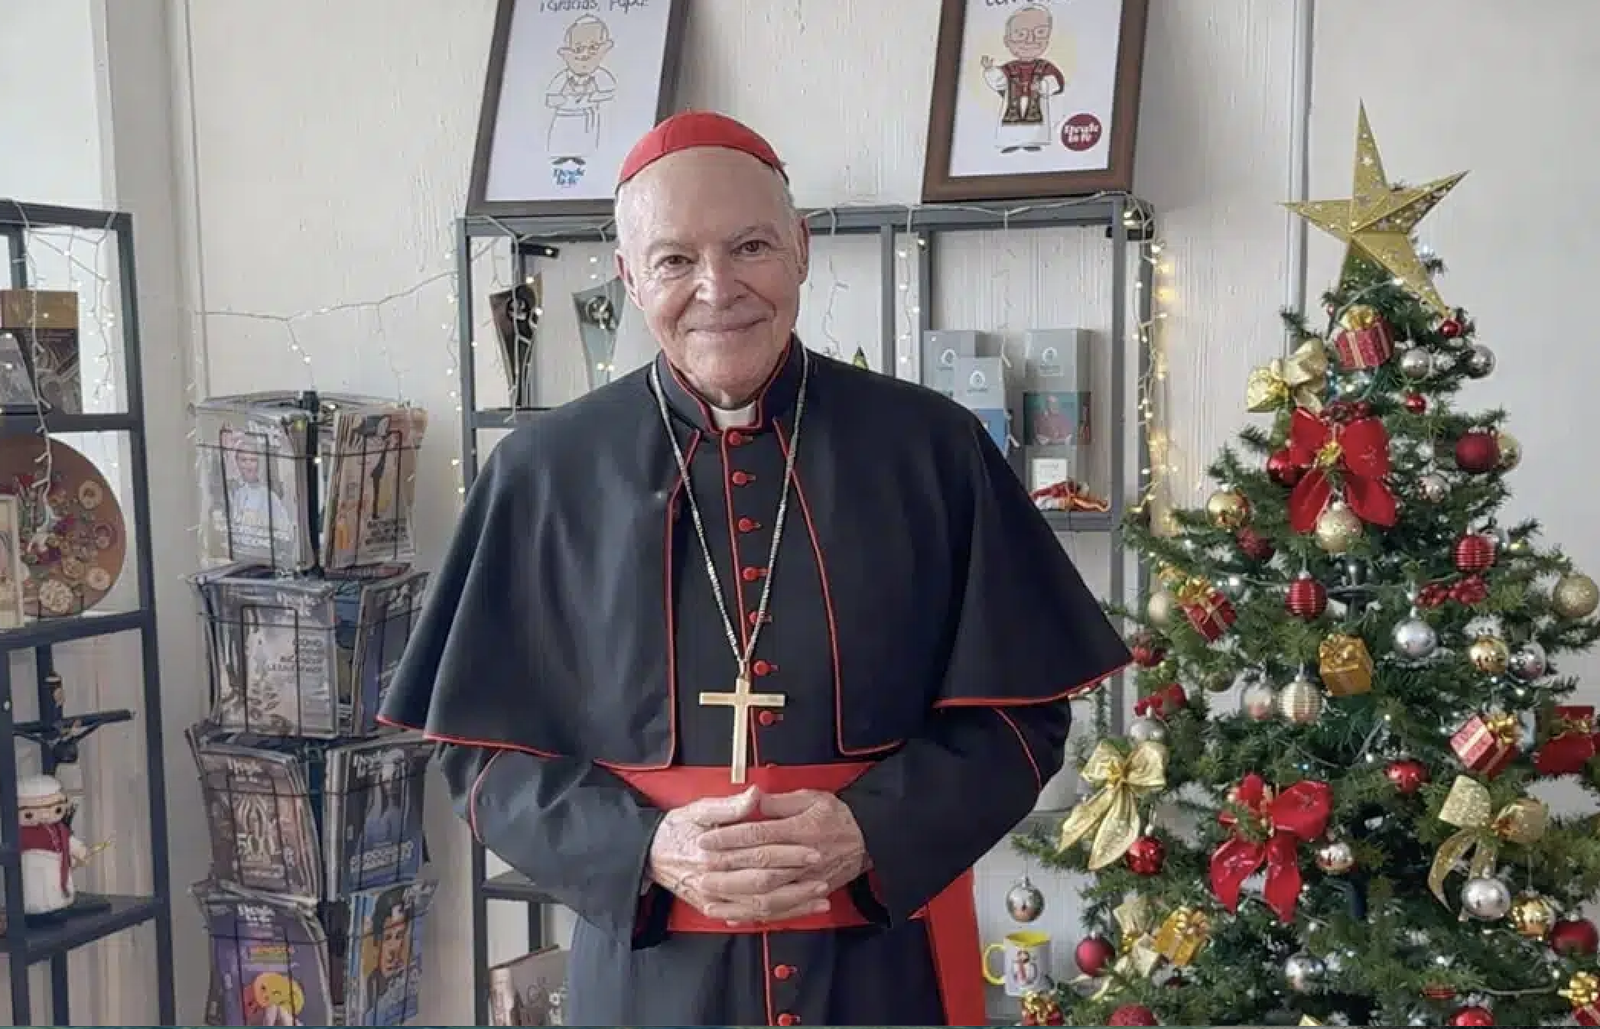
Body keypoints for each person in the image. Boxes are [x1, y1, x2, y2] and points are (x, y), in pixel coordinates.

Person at [379, 110, 1130, 1026]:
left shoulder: (932, 448)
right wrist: (646, 848)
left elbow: (1022, 717)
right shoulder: (544, 474)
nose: (717, 287)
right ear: (627, 275)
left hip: (885, 972)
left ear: (803, 249)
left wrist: (872, 829)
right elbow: (481, 753)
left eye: (750, 246)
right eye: (674, 260)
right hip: (652, 980)